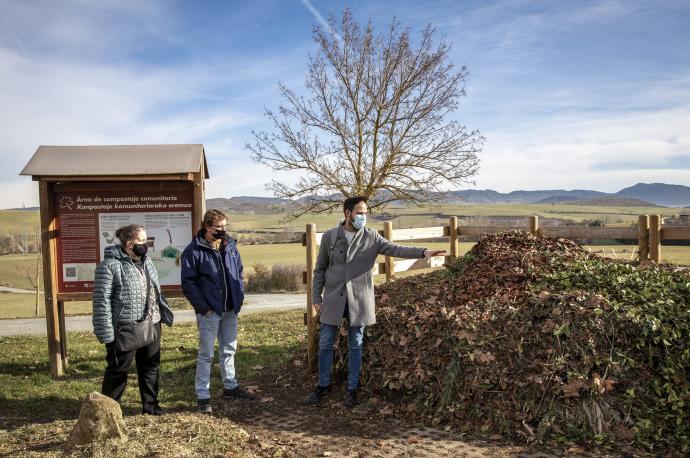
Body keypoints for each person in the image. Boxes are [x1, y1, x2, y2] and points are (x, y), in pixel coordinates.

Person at [305, 196, 447, 407]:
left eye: (365, 213)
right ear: (347, 213)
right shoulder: (330, 237)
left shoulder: (372, 237)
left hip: (360, 299)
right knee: (325, 344)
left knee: (356, 344)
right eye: (359, 213)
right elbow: (319, 270)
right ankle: (323, 386)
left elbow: (396, 249)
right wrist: (316, 297)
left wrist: (423, 252)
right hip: (334, 298)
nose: (364, 216)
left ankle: (352, 389)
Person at [92, 224, 174, 415]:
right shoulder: (110, 266)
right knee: (118, 371)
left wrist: (160, 316)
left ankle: (151, 406)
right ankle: (107, 413)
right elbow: (101, 302)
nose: (146, 244)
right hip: (124, 329)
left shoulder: (147, 262)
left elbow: (155, 291)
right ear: (129, 244)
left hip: (151, 324)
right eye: (142, 241)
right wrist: (107, 334)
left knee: (151, 367)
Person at [181, 209, 257, 414]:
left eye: (225, 226)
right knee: (206, 354)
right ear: (207, 227)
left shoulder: (230, 246)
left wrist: (239, 297)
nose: (223, 231)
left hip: (230, 308)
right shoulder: (193, 250)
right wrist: (203, 308)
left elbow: (238, 273)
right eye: (218, 227)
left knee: (229, 350)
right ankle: (202, 396)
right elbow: (188, 284)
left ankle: (230, 386)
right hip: (209, 311)